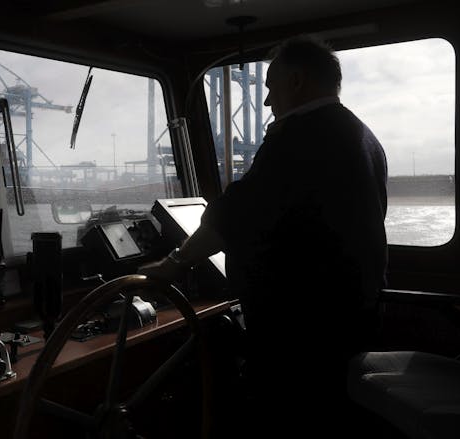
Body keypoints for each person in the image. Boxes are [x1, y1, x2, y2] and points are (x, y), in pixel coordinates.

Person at [142, 35, 387, 435]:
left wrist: (171, 265)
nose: (269, 101)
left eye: (271, 86)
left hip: (302, 331)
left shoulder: (298, 137)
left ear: (296, 81)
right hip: (351, 317)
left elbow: (235, 216)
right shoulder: (364, 137)